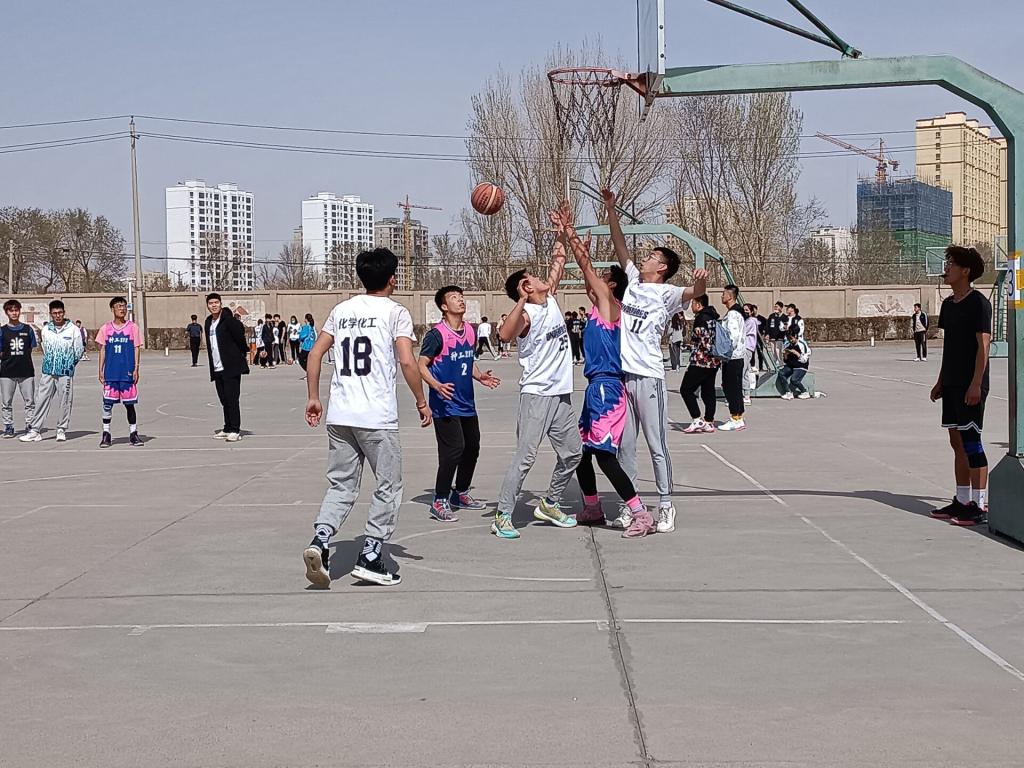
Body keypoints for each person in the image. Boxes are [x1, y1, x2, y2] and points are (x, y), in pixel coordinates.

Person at [301, 248, 431, 588]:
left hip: (340, 415)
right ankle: (371, 555)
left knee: (342, 485)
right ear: (392, 279)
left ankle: (321, 539)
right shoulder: (395, 312)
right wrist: (421, 401)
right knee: (388, 486)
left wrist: (314, 397)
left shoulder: (342, 310)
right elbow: (407, 361)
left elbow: (315, 353)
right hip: (376, 417)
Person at [603, 188, 707, 533]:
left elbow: (694, 293)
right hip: (624, 377)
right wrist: (611, 209)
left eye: (651, 256)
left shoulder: (666, 293)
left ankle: (665, 505)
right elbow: (619, 243)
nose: (644, 258)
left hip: (649, 377)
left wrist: (701, 283)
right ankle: (630, 506)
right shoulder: (633, 280)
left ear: (662, 267)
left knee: (656, 445)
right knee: (625, 447)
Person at [551, 207, 651, 535]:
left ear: (612, 285)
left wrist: (570, 234)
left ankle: (640, 514)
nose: (595, 283)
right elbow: (588, 281)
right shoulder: (600, 307)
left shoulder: (613, 307)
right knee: (581, 453)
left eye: (602, 278)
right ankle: (592, 507)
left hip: (609, 389)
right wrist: (582, 251)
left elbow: (586, 270)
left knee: (605, 457)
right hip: (596, 388)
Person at [493, 232, 582, 540]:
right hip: (537, 394)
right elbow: (505, 335)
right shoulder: (527, 314)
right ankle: (503, 515)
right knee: (525, 457)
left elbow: (559, 260)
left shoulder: (551, 300)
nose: (539, 277)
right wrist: (520, 299)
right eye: (531, 277)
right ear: (526, 287)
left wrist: (561, 233)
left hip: (560, 395)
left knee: (573, 453)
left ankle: (550, 504)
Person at [418, 285, 501, 522]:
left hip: (466, 402)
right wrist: (436, 386)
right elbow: (421, 365)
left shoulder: (470, 331)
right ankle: (439, 500)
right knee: (453, 450)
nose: (460, 300)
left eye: (462, 296)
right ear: (444, 306)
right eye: (454, 298)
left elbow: (468, 360)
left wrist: (480, 376)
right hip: (444, 403)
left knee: (472, 448)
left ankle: (461, 492)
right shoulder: (436, 335)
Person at [929, 245, 992, 527]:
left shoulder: (979, 303)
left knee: (972, 442)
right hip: (952, 383)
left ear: (965, 271)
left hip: (971, 385)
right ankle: (962, 498)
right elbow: (950, 348)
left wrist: (976, 383)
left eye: (951, 264)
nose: (946, 268)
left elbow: (983, 346)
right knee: (956, 442)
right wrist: (941, 380)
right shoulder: (948, 305)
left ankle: (979, 504)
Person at [20, 300, 84, 442]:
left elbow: (79, 350)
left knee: (65, 401)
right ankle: (35, 430)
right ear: (51, 314)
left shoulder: (73, 329)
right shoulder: (46, 329)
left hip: (65, 372)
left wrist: (69, 364)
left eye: (60, 313)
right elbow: (45, 348)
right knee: (41, 399)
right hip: (48, 371)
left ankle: (61, 429)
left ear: (64, 313)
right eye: (55, 313)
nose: (58, 315)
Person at [96, 296, 144, 447]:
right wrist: (100, 370)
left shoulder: (133, 327)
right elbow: (102, 350)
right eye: (118, 306)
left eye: (123, 306)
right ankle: (106, 434)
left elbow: (136, 348)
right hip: (111, 373)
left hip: (127, 372)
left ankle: (133, 433)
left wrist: (136, 368)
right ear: (112, 309)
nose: (122, 309)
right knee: (107, 404)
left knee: (130, 404)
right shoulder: (105, 328)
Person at [203, 293, 249, 442]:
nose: (214, 305)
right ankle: (227, 427)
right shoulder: (208, 322)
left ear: (221, 304)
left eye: (216, 302)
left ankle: (235, 429)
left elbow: (240, 336)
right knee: (224, 399)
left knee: (232, 399)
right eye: (211, 303)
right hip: (217, 366)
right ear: (207, 306)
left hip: (231, 366)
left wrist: (241, 354)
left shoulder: (229, 321)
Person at [680, 295, 720, 434]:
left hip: (701, 360)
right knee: (708, 391)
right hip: (714, 361)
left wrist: (697, 346)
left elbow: (703, 340)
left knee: (686, 389)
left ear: (698, 304)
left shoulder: (701, 319)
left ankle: (697, 418)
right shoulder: (713, 317)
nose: (691, 306)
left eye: (693, 303)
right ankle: (709, 421)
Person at [1, 299, 37, 438]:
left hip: (26, 371)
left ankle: (30, 425)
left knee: (29, 401)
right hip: (7, 372)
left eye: (16, 310)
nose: (14, 313)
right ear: (7, 312)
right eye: (11, 310)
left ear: (20, 311)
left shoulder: (28, 329)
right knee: (6, 402)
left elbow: (30, 348)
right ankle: (8, 426)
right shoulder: (2, 331)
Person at [718, 285, 748, 432]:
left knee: (731, 388)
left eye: (723, 294)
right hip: (736, 356)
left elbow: (733, 337)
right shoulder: (736, 313)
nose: (722, 296)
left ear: (730, 296)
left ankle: (735, 417)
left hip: (732, 357)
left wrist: (724, 352)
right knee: (733, 387)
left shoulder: (733, 314)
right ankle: (738, 416)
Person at [776, 327, 811, 399]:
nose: (790, 340)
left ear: (795, 336)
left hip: (801, 366)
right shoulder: (788, 344)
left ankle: (804, 391)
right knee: (781, 373)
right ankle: (788, 392)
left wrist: (796, 353)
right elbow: (786, 360)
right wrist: (785, 355)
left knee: (794, 380)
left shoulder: (802, 344)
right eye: (789, 339)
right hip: (791, 365)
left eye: (791, 338)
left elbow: (804, 360)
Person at [742, 303, 759, 405]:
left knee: (741, 371)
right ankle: (746, 395)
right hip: (747, 348)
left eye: (747, 310)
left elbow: (742, 332)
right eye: (744, 309)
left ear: (752, 311)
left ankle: (743, 395)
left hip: (747, 347)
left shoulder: (751, 321)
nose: (745, 311)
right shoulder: (747, 320)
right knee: (745, 372)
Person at [752, 304, 767, 372]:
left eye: (754, 309)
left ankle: (761, 367)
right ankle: (752, 367)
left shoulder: (761, 318)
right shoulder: (750, 318)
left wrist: (764, 334)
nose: (753, 311)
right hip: (752, 338)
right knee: (752, 353)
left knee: (760, 353)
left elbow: (766, 327)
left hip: (759, 338)